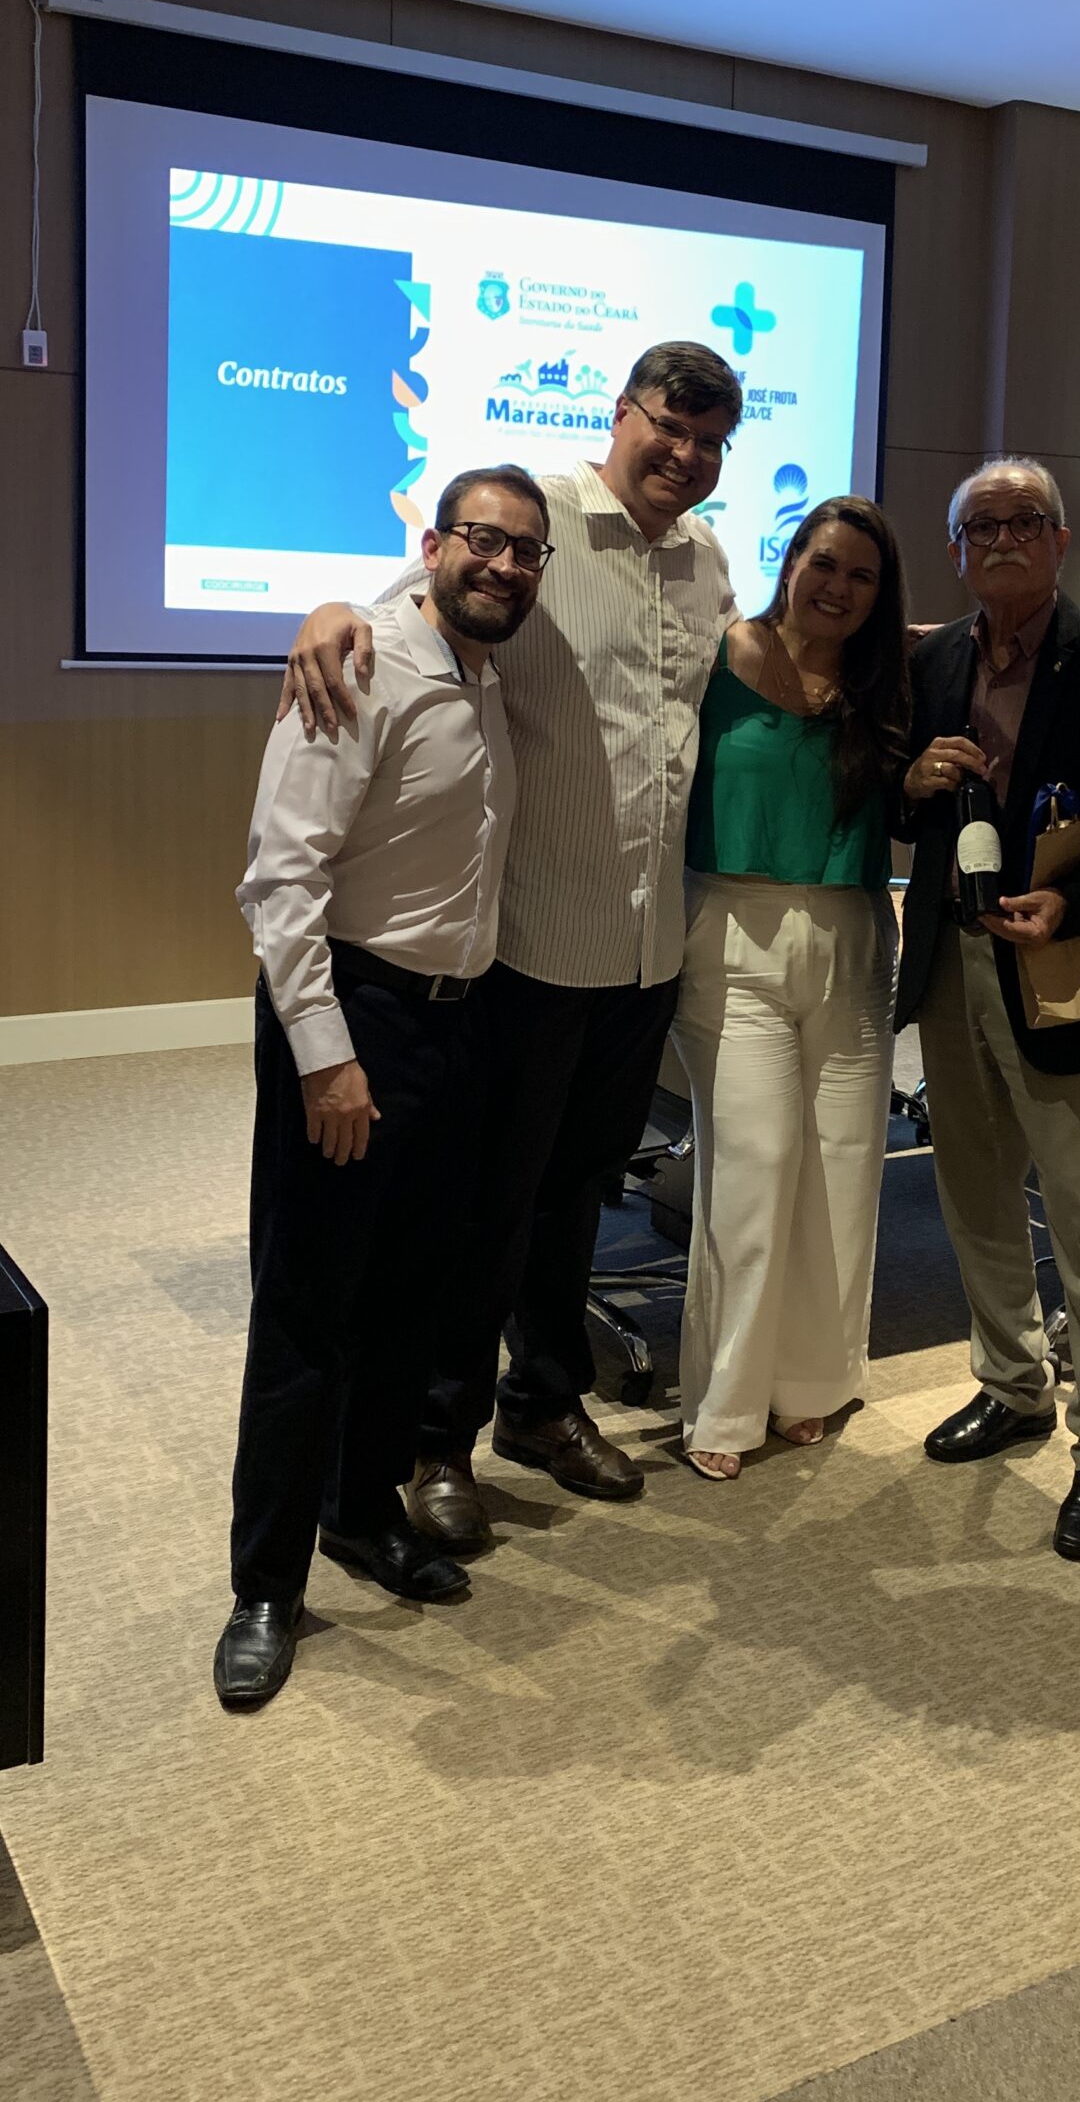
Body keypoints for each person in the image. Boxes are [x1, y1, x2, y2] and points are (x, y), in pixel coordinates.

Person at [280, 343, 742, 1530]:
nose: (684, 455)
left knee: (581, 1190)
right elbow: (409, 606)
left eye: (709, 441)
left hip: (645, 947)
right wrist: (330, 614)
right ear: (622, 414)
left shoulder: (706, 559)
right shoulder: (539, 524)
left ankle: (544, 1401)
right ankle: (441, 1436)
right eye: (668, 426)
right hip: (534, 940)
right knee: (491, 1202)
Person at [215, 466, 550, 1709]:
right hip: (354, 1017)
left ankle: (361, 1514)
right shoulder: (357, 665)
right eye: (481, 540)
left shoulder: (485, 672)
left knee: (411, 1294)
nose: (502, 564)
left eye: (526, 549)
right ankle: (265, 1586)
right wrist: (327, 1052)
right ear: (436, 543)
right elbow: (278, 879)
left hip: (457, 1026)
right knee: (308, 1307)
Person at [895, 455, 1080, 1562]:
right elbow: (902, 808)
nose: (1003, 539)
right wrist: (914, 784)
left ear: (1062, 541)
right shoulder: (932, 658)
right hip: (953, 959)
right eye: (981, 525)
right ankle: (1012, 1384)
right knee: (975, 1196)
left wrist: (1074, 901)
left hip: (1070, 965)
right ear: (956, 550)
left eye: (1025, 521)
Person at [671, 497, 909, 1480]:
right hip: (733, 933)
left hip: (853, 933)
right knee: (754, 1167)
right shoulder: (717, 655)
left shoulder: (886, 684)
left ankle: (811, 1381)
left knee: (843, 1168)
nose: (838, 587)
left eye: (862, 575)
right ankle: (725, 1403)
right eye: (825, 563)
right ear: (790, 558)